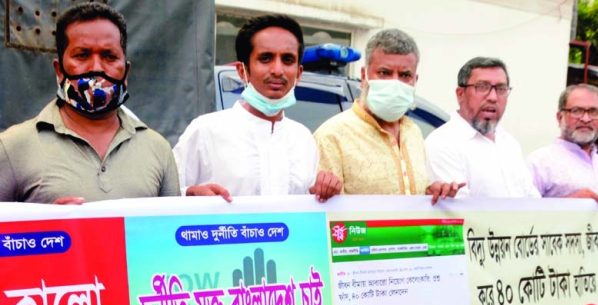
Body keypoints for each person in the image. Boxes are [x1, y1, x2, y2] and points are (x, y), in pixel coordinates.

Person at [0, 2, 178, 203]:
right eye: (82, 55)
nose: (96, 68)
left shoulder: (157, 149)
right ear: (59, 70)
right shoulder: (12, 147)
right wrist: (45, 226)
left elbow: (170, 229)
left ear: (126, 72)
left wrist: (200, 209)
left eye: (109, 56)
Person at [173, 15, 340, 201]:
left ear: (299, 73)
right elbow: (166, 195)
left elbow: (309, 211)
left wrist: (325, 189)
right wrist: (189, 193)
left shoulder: (303, 140)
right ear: (241, 71)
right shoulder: (205, 131)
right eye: (266, 58)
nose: (277, 70)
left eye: (287, 59)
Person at [314, 29, 461, 203]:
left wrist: (432, 193)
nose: (395, 83)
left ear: (415, 80)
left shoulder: (413, 132)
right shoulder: (332, 135)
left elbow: (414, 196)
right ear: (364, 76)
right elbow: (324, 210)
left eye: (405, 75)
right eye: (384, 73)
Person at [425, 57, 539, 198]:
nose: (493, 97)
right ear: (460, 94)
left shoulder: (509, 143)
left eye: (501, 89)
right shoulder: (443, 143)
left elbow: (532, 199)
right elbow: (459, 213)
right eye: (482, 87)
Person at [527, 84, 598, 204]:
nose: (586, 119)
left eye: (593, 112)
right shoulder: (541, 162)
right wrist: (568, 204)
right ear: (559, 117)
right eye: (577, 111)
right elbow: (523, 215)